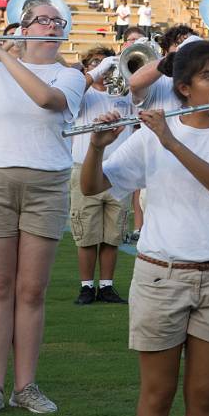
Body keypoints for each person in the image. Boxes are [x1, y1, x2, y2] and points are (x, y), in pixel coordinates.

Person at [80, 40, 209, 416]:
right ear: (184, 88)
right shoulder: (151, 135)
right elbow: (92, 186)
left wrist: (170, 141)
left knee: (203, 396)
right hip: (160, 277)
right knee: (157, 395)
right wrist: (95, 146)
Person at [0, 1, 85, 416]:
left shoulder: (70, 75)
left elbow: (46, 100)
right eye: (43, 20)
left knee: (32, 291)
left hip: (47, 183)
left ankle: (25, 386)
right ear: (25, 27)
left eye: (58, 22)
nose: (52, 26)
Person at [69, 47, 133, 306]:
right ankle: (86, 286)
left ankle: (106, 285)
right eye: (96, 63)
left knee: (112, 235)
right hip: (85, 170)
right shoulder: (81, 95)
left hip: (119, 172)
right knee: (87, 234)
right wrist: (98, 67)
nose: (105, 69)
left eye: (108, 64)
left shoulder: (125, 94)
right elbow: (72, 93)